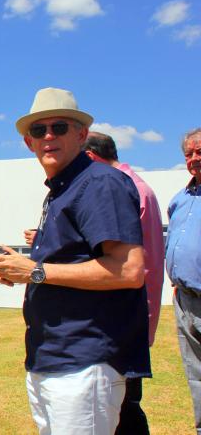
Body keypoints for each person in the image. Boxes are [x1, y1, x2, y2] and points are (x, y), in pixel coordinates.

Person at [0, 87, 150, 434]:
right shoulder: (63, 189)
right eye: (38, 130)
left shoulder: (100, 184)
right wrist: (24, 271)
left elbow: (129, 269)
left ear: (81, 135)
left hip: (84, 361)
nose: (48, 136)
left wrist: (36, 271)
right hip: (52, 357)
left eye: (59, 127)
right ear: (29, 143)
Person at [84, 132, 163, 435]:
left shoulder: (121, 189)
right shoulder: (139, 187)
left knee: (122, 406)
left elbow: (127, 266)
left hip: (124, 315)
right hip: (137, 311)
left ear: (90, 157)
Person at [167, 127, 201, 434]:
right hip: (185, 299)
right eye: (188, 154)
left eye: (199, 151)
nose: (194, 159)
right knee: (196, 375)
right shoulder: (179, 200)